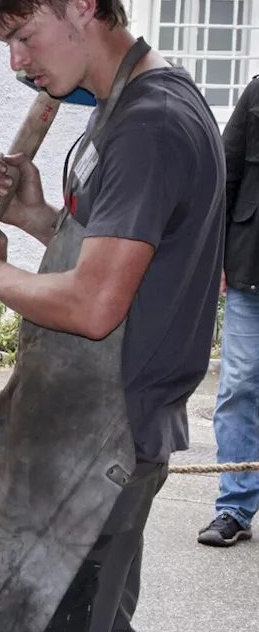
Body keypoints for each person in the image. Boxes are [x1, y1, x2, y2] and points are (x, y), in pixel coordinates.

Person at [0, 0, 224, 632]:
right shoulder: (116, 112)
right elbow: (122, 262)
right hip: (76, 427)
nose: (17, 61)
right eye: (7, 44)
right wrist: (39, 218)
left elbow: (96, 305)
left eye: (26, 36)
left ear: (83, 5)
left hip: (106, 438)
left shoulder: (150, 123)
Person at [198, 74, 259, 548]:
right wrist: (217, 255)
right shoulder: (258, 91)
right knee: (239, 387)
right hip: (250, 271)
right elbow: (225, 173)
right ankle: (234, 506)